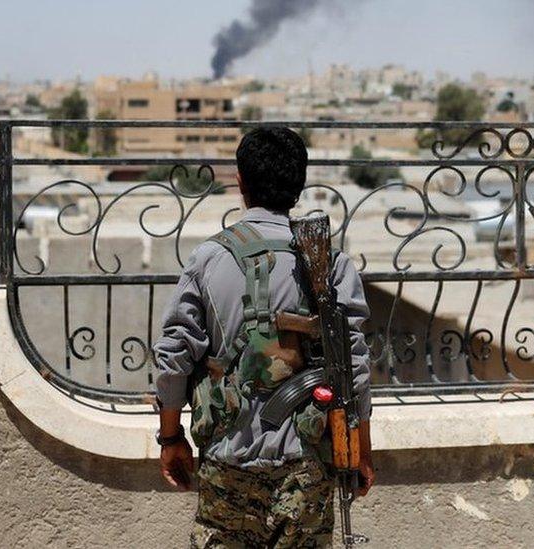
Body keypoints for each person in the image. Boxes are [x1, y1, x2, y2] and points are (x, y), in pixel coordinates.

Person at [152, 127, 374, 548]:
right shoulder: (333, 265)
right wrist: (360, 451)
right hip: (305, 467)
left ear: (240, 181)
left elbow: (174, 356)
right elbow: (355, 366)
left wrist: (170, 438)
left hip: (227, 461)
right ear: (300, 185)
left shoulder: (208, 259)